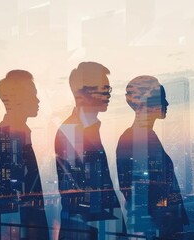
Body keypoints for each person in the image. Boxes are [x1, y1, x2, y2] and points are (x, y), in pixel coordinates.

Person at [117, 76, 188, 239]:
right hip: (156, 229)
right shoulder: (135, 139)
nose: (167, 104)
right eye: (162, 98)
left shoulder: (144, 137)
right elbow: (135, 193)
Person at [55, 62, 121, 239]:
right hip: (83, 230)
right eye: (103, 90)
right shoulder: (71, 131)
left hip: (94, 226)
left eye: (109, 90)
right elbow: (77, 192)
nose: (108, 96)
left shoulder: (88, 128)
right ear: (83, 94)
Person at [0, 70, 49, 239]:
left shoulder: (16, 134)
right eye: (33, 95)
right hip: (21, 226)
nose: (38, 100)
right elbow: (4, 193)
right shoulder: (4, 137)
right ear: (19, 99)